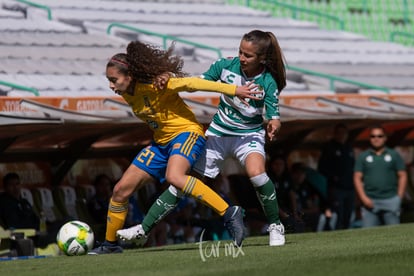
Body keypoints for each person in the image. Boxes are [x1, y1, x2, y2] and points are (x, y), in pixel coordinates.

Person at [88, 40, 260, 254]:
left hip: (187, 134)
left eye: (113, 80)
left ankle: (229, 212)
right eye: (109, 80)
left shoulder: (158, 85)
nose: (111, 86)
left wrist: (234, 90)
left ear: (129, 75)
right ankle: (110, 245)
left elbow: (194, 84)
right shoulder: (127, 91)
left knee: (175, 176)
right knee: (120, 191)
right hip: (161, 144)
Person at [118, 30, 287, 246]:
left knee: (257, 174)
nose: (242, 58)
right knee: (182, 183)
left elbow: (273, 114)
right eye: (240, 52)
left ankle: (275, 225)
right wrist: (170, 76)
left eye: (248, 55)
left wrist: (274, 123)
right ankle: (144, 229)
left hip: (248, 135)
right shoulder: (225, 65)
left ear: (262, 58)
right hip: (217, 133)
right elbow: (198, 83)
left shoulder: (267, 80)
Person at [353, 125, 407, 227]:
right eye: (373, 136)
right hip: (370, 201)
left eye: (379, 136)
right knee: (368, 236)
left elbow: (402, 175)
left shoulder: (393, 155)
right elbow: (357, 177)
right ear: (370, 138)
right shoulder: (363, 156)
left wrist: (399, 197)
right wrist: (363, 198)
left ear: (385, 138)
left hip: (390, 200)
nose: (376, 139)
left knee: (394, 234)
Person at [318, 123, 355, 230]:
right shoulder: (329, 147)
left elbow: (352, 166)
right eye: (339, 133)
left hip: (350, 187)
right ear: (335, 134)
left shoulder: (349, 147)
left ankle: (347, 233)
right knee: (338, 214)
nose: (341, 135)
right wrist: (333, 177)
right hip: (336, 188)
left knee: (348, 214)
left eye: (344, 133)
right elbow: (322, 168)